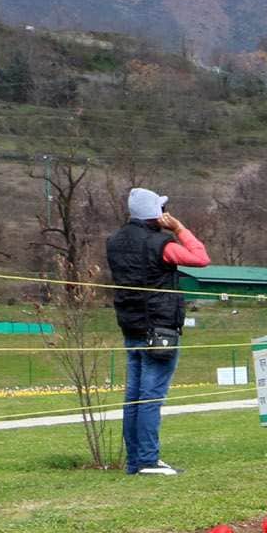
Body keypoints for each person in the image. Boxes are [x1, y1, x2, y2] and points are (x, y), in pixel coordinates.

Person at [107, 187, 209, 477]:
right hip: (160, 327)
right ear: (156, 214)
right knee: (151, 396)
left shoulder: (114, 242)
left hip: (131, 325)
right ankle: (149, 460)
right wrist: (179, 228)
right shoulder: (160, 244)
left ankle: (134, 461)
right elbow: (200, 258)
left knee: (134, 395)